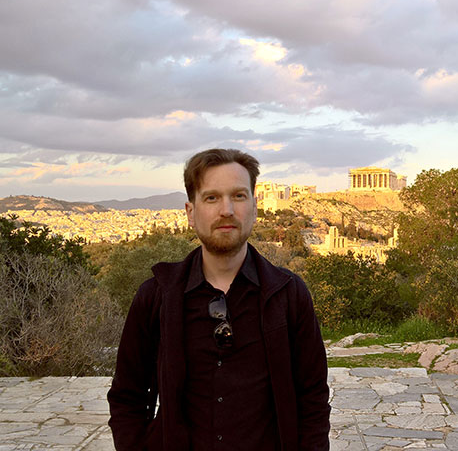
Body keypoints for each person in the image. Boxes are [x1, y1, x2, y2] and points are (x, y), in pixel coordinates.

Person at [107, 148, 330, 451]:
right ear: (190, 212)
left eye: (238, 196)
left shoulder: (289, 295)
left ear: (254, 207)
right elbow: (127, 397)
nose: (227, 209)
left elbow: (313, 398)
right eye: (211, 198)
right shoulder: (156, 297)